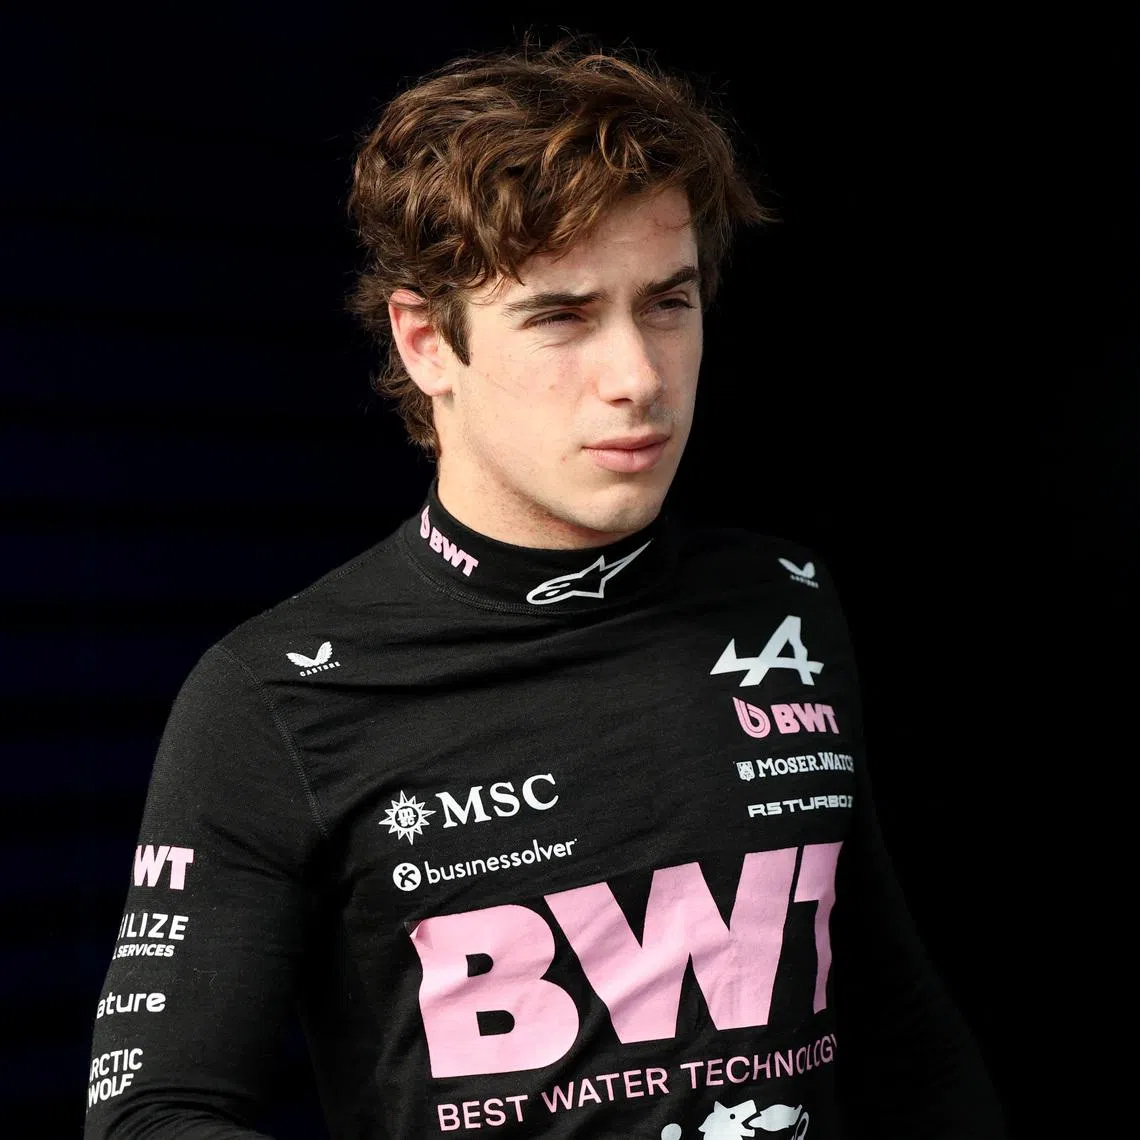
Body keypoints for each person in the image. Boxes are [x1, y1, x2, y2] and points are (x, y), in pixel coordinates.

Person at [83, 36, 1006, 1140]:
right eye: (561, 316)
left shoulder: (782, 601)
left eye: (667, 303)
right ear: (427, 342)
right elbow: (152, 1114)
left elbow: (896, 1028)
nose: (639, 378)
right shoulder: (272, 696)